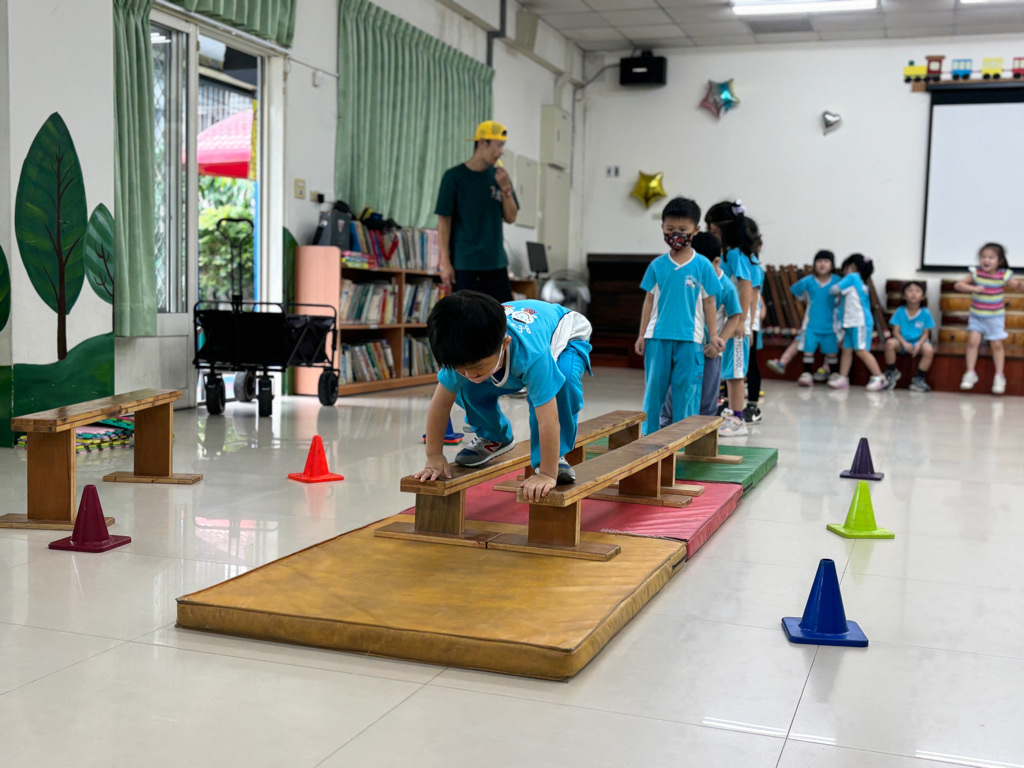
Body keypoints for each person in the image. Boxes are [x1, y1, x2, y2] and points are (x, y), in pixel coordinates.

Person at [413, 292, 591, 502]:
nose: (468, 373)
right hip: (512, 337)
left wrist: (547, 473)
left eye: (476, 367)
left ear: (504, 344)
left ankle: (556, 457)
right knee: (467, 386)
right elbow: (441, 406)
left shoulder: (531, 355)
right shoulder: (460, 352)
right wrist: (433, 456)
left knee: (564, 383)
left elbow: (547, 419)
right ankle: (494, 436)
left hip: (566, 336)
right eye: (461, 369)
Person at [635, 197, 721, 437]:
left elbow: (709, 302)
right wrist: (642, 334)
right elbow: (649, 301)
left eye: (683, 229)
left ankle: (682, 439)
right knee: (654, 392)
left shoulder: (703, 266)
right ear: (662, 228)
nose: (676, 235)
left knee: (686, 391)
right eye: (670, 229)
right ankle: (649, 438)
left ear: (696, 230)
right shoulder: (657, 265)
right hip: (657, 338)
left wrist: (713, 336)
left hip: (690, 340)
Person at [659, 232, 742, 427]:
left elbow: (734, 316)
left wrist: (718, 343)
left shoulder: (726, 286)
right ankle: (666, 425)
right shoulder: (689, 278)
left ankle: (703, 430)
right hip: (683, 345)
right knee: (674, 388)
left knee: (707, 395)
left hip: (710, 352)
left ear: (716, 262)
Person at [435, 120, 519, 301]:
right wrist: (445, 263)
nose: (501, 151)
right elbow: (444, 221)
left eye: (503, 146)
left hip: (496, 263)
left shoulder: (500, 177)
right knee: (467, 314)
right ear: (482, 143)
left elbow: (511, 217)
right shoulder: (454, 177)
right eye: (498, 145)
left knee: (504, 314)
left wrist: (506, 188)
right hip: (465, 264)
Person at [705, 201, 754, 437]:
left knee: (735, 373)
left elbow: (746, 286)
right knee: (725, 371)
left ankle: (738, 418)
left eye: (712, 228)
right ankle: (729, 412)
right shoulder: (724, 253)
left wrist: (742, 321)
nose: (710, 232)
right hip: (725, 322)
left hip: (736, 325)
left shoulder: (736, 254)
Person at [955, 242, 1024, 395]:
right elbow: (958, 285)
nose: (986, 260)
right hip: (977, 316)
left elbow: (1017, 285)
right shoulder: (976, 273)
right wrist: (973, 288)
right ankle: (970, 373)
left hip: (995, 318)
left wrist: (1020, 285)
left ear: (999, 261)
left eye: (991, 257)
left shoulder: (1003, 275)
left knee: (997, 344)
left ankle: (999, 376)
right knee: (973, 341)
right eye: (983, 257)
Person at [770, 250, 841, 387]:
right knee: (808, 350)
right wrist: (802, 298)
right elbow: (795, 290)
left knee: (831, 352)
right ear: (814, 264)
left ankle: (833, 375)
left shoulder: (837, 281)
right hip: (811, 324)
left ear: (832, 265)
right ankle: (807, 374)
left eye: (826, 261)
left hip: (831, 325)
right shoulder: (808, 281)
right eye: (819, 261)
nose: (822, 264)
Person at [827, 253, 887, 391]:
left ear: (852, 267)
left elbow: (834, 290)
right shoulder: (860, 282)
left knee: (861, 350)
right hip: (850, 322)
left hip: (860, 322)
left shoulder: (853, 277)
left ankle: (879, 376)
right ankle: (843, 377)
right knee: (847, 350)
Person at [884, 281, 935, 392]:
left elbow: (926, 333)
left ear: (923, 297)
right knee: (889, 344)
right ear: (903, 296)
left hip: (918, 342)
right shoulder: (899, 311)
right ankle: (892, 372)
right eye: (910, 290)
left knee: (929, 350)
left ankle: (919, 379)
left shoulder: (925, 313)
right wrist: (904, 343)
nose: (913, 293)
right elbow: (895, 332)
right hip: (902, 341)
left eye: (917, 291)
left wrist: (919, 344)